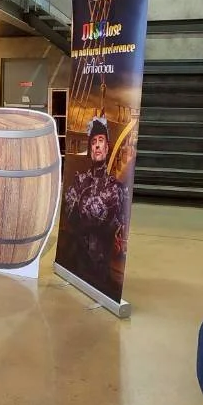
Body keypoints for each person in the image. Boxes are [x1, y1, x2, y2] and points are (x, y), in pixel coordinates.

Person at [59, 117, 129, 298]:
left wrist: (82, 206)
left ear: (107, 147)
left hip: (100, 274)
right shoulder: (80, 179)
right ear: (90, 148)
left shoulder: (115, 187)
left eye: (101, 141)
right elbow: (68, 211)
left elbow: (95, 215)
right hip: (76, 265)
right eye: (93, 142)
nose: (97, 145)